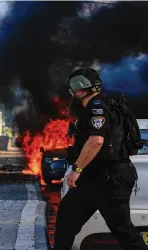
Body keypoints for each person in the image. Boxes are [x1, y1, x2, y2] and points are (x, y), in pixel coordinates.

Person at [54, 68, 147, 250]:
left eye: (76, 88)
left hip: (110, 179)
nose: (73, 92)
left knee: (123, 230)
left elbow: (96, 141)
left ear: (85, 88)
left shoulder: (98, 107)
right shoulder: (93, 107)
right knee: (66, 221)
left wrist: (76, 170)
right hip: (92, 178)